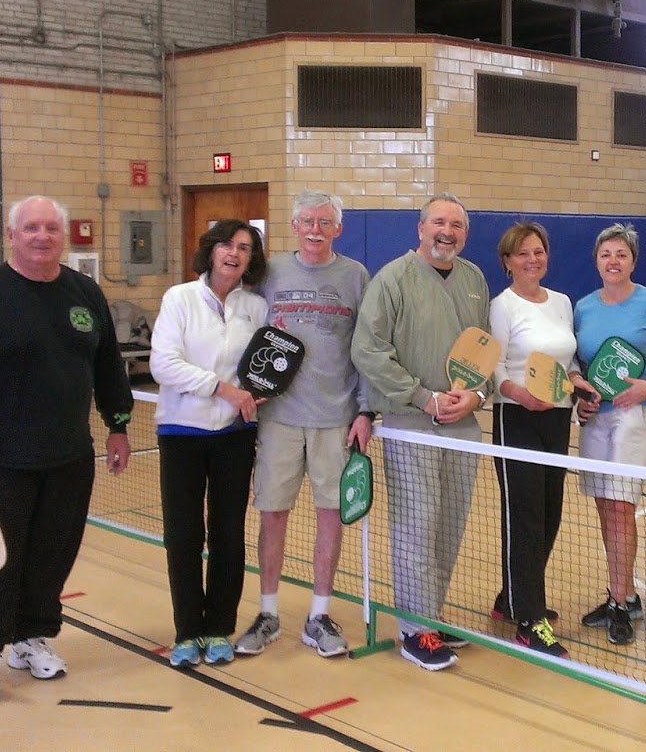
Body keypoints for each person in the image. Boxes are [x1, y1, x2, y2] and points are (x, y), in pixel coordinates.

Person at [0, 195, 133, 706]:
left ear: (62, 236)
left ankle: (30, 637)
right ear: (11, 235)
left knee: (52, 556)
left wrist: (118, 424)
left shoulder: (84, 293)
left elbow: (107, 366)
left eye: (51, 228)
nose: (41, 236)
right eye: (30, 228)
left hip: (69, 456)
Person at [351, 193, 490, 671]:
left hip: (464, 424)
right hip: (412, 423)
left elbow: (484, 352)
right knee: (417, 524)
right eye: (438, 223)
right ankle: (415, 629)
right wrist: (423, 397)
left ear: (465, 234)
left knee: (449, 523)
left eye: (456, 225)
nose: (447, 232)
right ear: (421, 228)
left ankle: (432, 613)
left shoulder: (474, 279)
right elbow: (368, 350)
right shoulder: (392, 279)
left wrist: (476, 396)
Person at [237, 190, 373, 660]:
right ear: (294, 226)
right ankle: (268, 613)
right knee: (272, 514)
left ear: (338, 229)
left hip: (335, 419)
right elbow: (244, 334)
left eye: (325, 222)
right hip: (278, 418)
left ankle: (319, 615)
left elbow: (366, 347)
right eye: (308, 221)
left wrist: (365, 410)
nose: (316, 229)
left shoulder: (355, 276)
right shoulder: (269, 272)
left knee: (330, 514)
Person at [149, 220, 267, 667]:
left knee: (228, 535)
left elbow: (263, 365)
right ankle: (186, 631)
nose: (234, 253)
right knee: (183, 535)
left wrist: (259, 392)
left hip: (235, 437)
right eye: (226, 245)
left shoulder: (255, 307)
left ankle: (219, 628)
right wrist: (222, 389)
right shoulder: (179, 298)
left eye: (244, 247)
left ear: (251, 260)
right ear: (211, 251)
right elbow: (163, 364)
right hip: (181, 434)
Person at [571, 223, 646, 646]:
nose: (613, 261)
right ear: (596, 261)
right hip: (598, 416)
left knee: (620, 504)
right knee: (604, 504)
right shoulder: (583, 307)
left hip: (639, 412)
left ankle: (619, 602)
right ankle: (625, 593)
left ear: (633, 261)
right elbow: (576, 363)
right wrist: (580, 392)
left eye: (621, 254)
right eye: (606, 254)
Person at [487, 222, 574, 657]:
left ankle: (512, 597)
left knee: (550, 513)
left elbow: (568, 361)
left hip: (558, 417)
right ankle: (529, 620)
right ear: (507, 261)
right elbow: (495, 366)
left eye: (538, 251)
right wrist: (519, 394)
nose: (532, 259)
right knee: (525, 516)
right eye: (522, 253)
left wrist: (579, 382)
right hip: (516, 417)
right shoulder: (502, 306)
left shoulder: (561, 302)